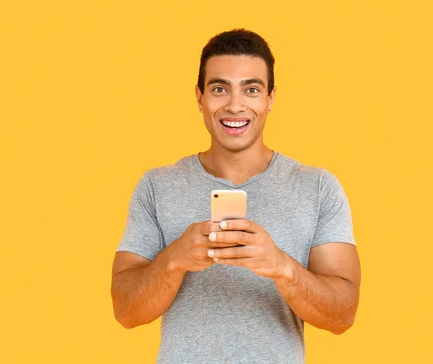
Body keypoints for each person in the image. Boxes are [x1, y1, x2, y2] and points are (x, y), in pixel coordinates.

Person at [111, 29, 361, 363]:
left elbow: (342, 315)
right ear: (199, 97)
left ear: (270, 98)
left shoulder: (317, 187)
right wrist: (174, 260)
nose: (235, 105)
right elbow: (126, 311)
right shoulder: (157, 185)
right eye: (219, 89)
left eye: (251, 89)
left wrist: (281, 266)